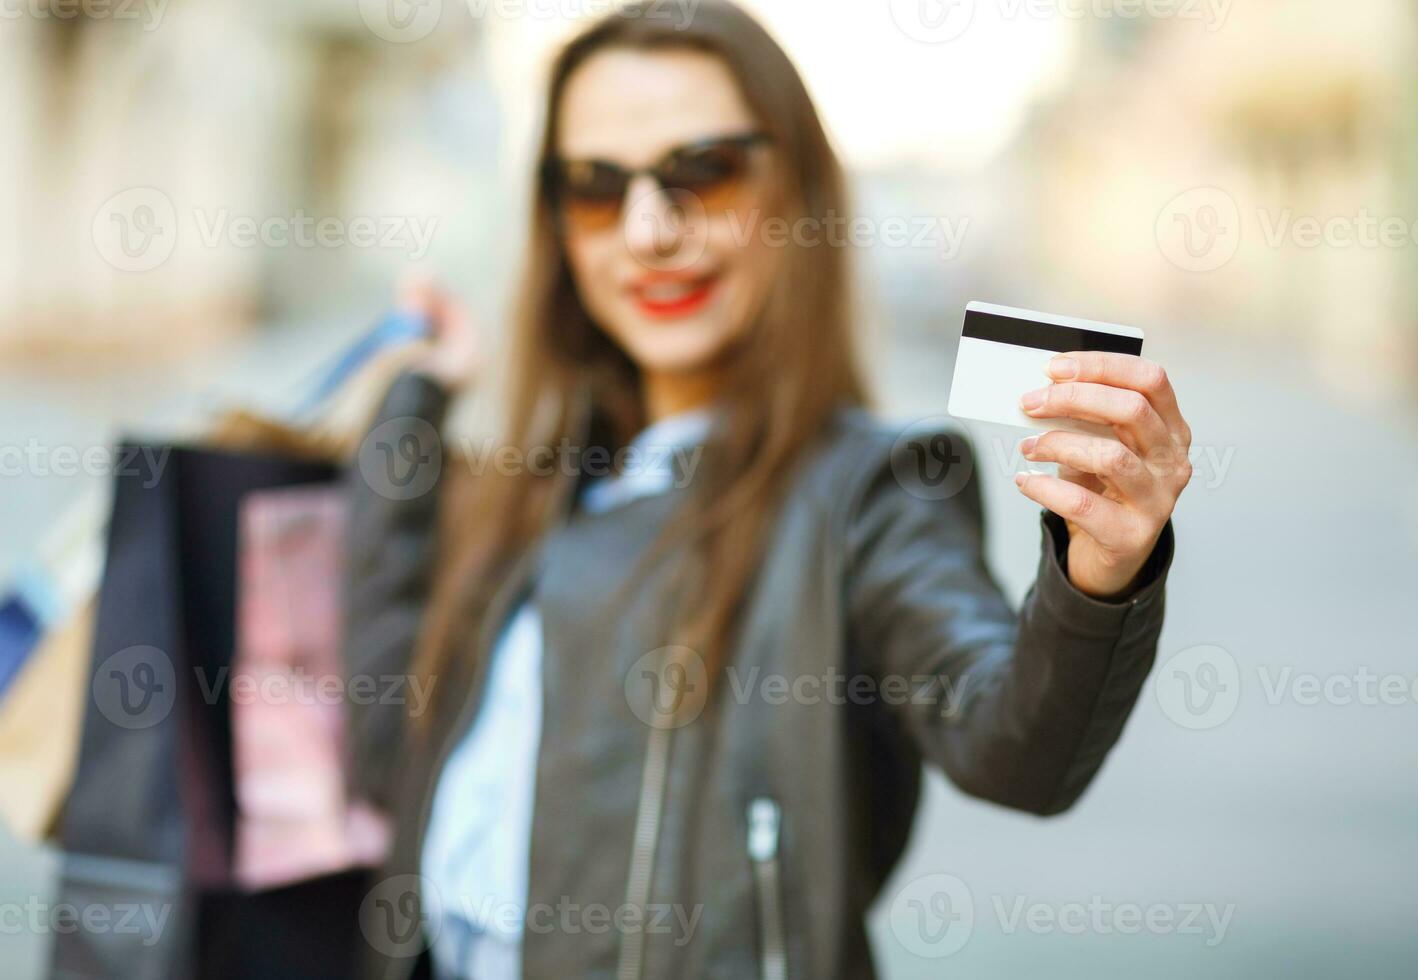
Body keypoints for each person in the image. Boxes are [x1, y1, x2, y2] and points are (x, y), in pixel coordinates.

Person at [343, 2, 1192, 977]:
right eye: (593, 186)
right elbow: (385, 751)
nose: (649, 228)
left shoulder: (874, 490)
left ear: (794, 187)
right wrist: (409, 412)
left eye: (701, 170)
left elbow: (1017, 746)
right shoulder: (526, 483)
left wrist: (1099, 569)